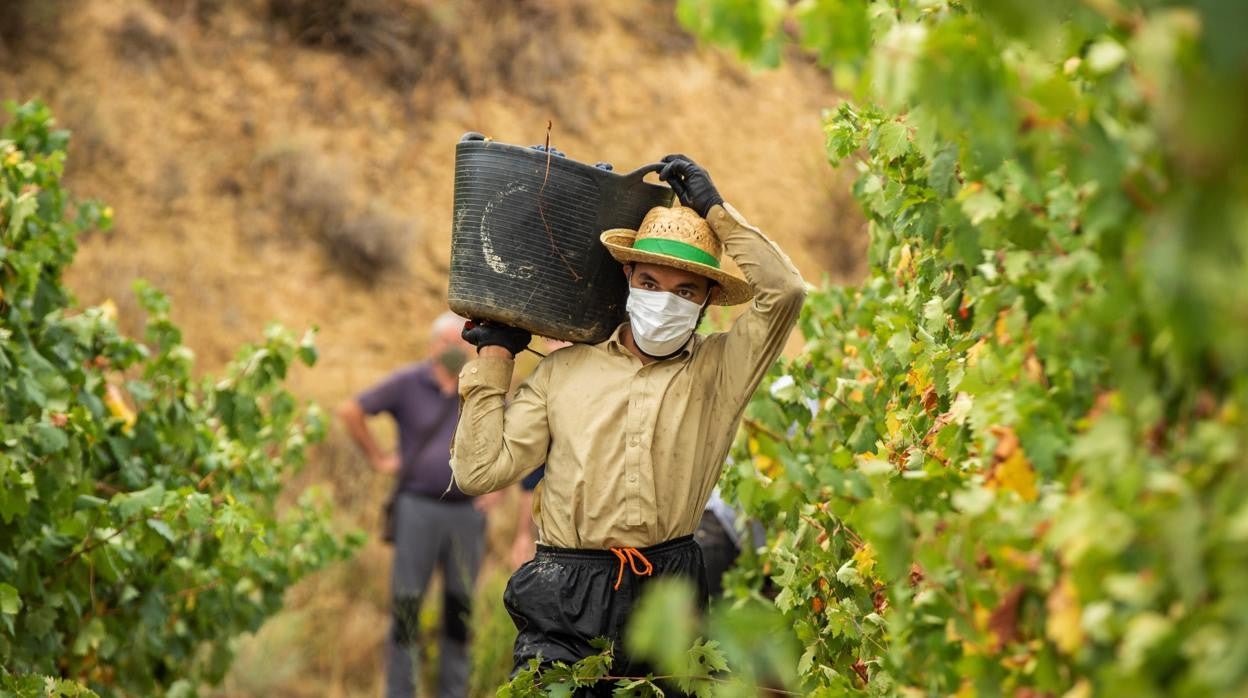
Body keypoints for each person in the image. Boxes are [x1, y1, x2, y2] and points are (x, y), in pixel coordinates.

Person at [450, 154, 806, 687]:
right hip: (564, 590)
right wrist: (494, 361)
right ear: (627, 278)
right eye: (650, 282)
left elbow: (787, 292)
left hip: (669, 591)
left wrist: (716, 211)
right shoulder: (564, 371)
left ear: (708, 299)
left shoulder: (720, 371)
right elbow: (479, 473)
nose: (665, 301)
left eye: (685, 291)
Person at [336, 311, 495, 698]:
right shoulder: (409, 383)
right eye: (446, 342)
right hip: (417, 509)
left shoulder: (478, 387)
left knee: (459, 612)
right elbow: (351, 410)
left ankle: (452, 692)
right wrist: (379, 459)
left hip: (466, 514)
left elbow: (502, 437)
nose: (453, 349)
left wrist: (497, 490)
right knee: (407, 608)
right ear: (432, 345)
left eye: (460, 342)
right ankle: (400, 691)